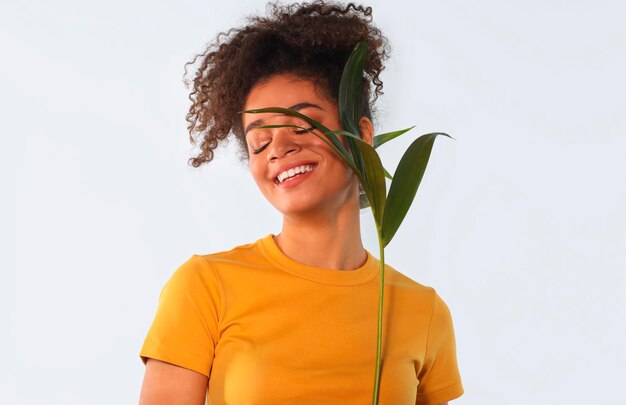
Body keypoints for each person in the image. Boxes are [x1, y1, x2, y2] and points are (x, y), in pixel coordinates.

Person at [138, 2, 464, 404]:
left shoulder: (422, 310)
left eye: (301, 125)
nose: (280, 147)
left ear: (360, 135)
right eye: (259, 142)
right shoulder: (206, 286)